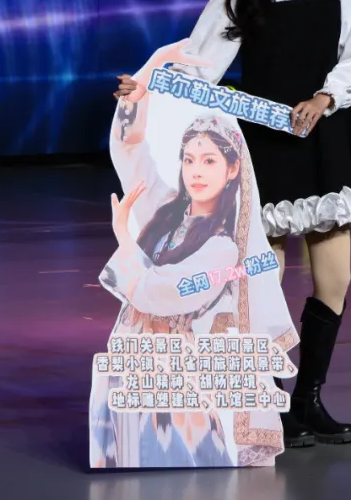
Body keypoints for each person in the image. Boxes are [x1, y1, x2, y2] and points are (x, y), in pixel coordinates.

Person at [114, 0, 351, 447]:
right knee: (264, 280)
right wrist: (146, 87)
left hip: (322, 142)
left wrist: (325, 97)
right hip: (264, 149)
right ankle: (271, 405)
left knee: (335, 278)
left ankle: (308, 400)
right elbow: (197, 66)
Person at [93, 47, 295, 466]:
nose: (196, 171)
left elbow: (161, 293)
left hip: (177, 379)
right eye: (189, 160)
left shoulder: (223, 247)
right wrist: (150, 69)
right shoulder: (165, 208)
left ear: (232, 169)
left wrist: (124, 239)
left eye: (208, 160)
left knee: (174, 467)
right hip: (135, 365)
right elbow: (129, 147)